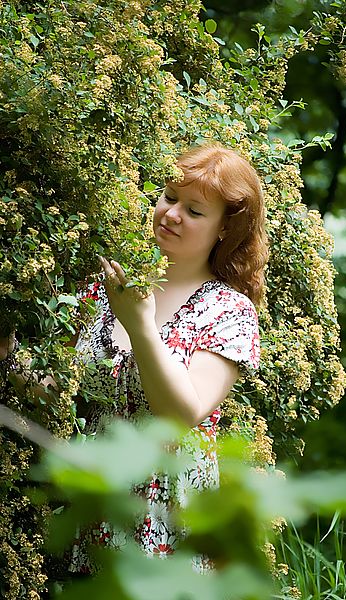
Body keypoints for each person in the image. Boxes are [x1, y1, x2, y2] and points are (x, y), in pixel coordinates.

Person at [3, 142, 267, 573]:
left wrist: (141, 327)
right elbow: (59, 394)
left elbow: (183, 413)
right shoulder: (105, 286)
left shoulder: (229, 312)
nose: (172, 213)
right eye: (169, 197)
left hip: (165, 526)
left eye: (195, 211)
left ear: (225, 229)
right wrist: (8, 353)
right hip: (88, 508)